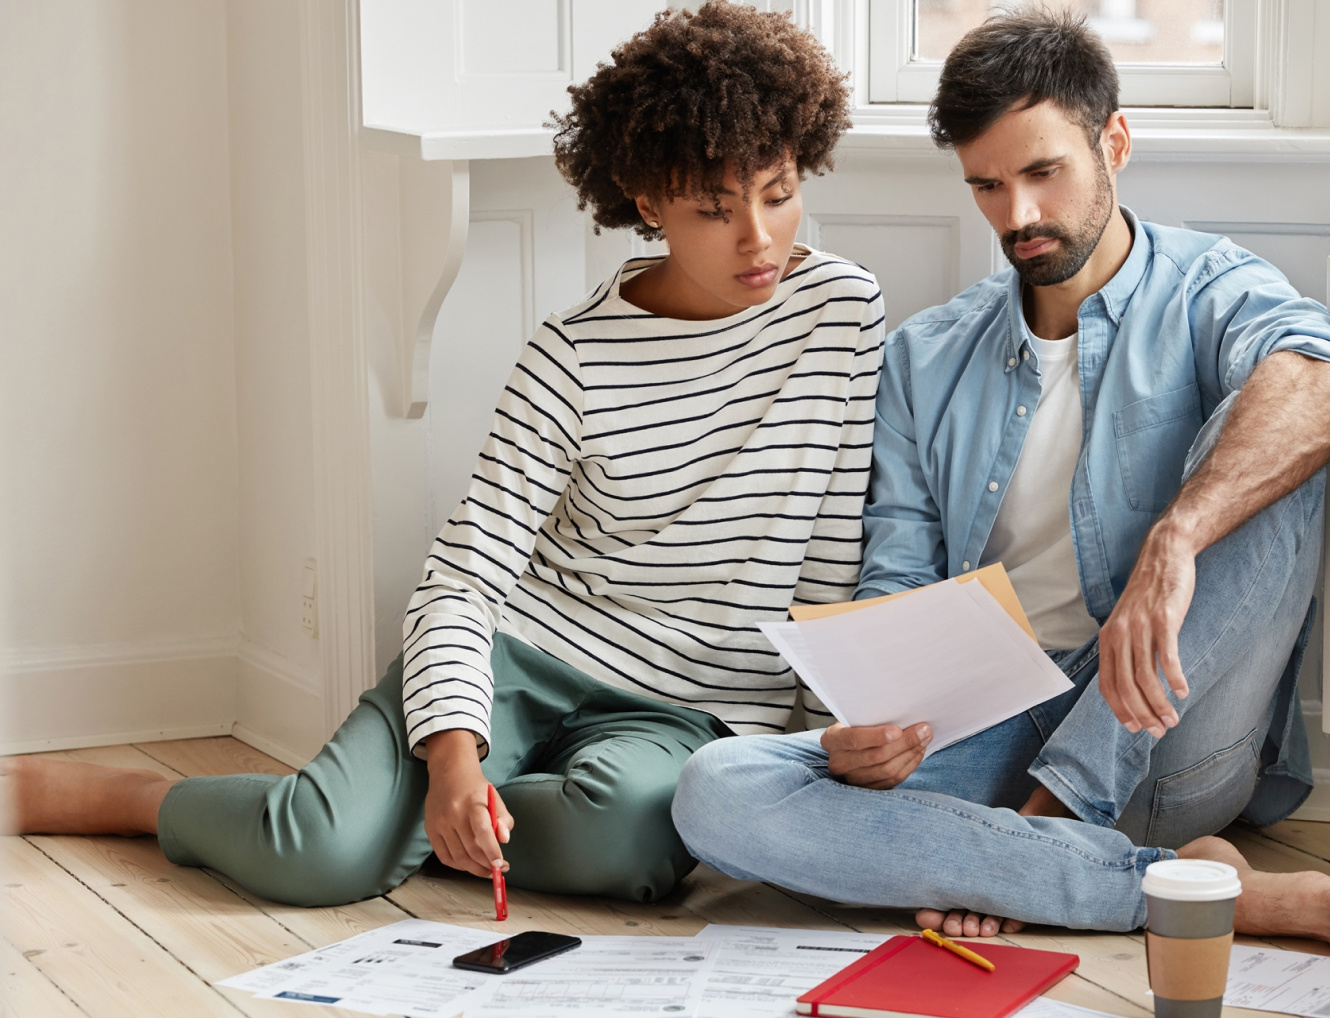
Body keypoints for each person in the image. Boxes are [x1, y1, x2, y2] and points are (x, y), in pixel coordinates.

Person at [3, 3, 882, 907]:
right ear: (650, 203)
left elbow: (828, 559)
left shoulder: (843, 313)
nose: (759, 238)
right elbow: (465, 581)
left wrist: (827, 752)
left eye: (778, 193)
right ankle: (148, 799)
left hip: (687, 708)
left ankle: (401, 821)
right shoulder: (571, 356)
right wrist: (455, 761)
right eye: (714, 209)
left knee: (628, 849)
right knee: (314, 860)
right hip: (525, 652)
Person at [674, 8, 1330, 953]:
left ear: (1114, 143)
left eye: (1043, 173)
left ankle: (1051, 831)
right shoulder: (924, 357)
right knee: (718, 793)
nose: (1018, 217)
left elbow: (1329, 375)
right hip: (994, 728)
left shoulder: (1208, 287)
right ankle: (1167, 883)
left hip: (1170, 723)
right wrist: (879, 723)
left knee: (1267, 441)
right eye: (987, 186)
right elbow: (898, 582)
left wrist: (1173, 543)